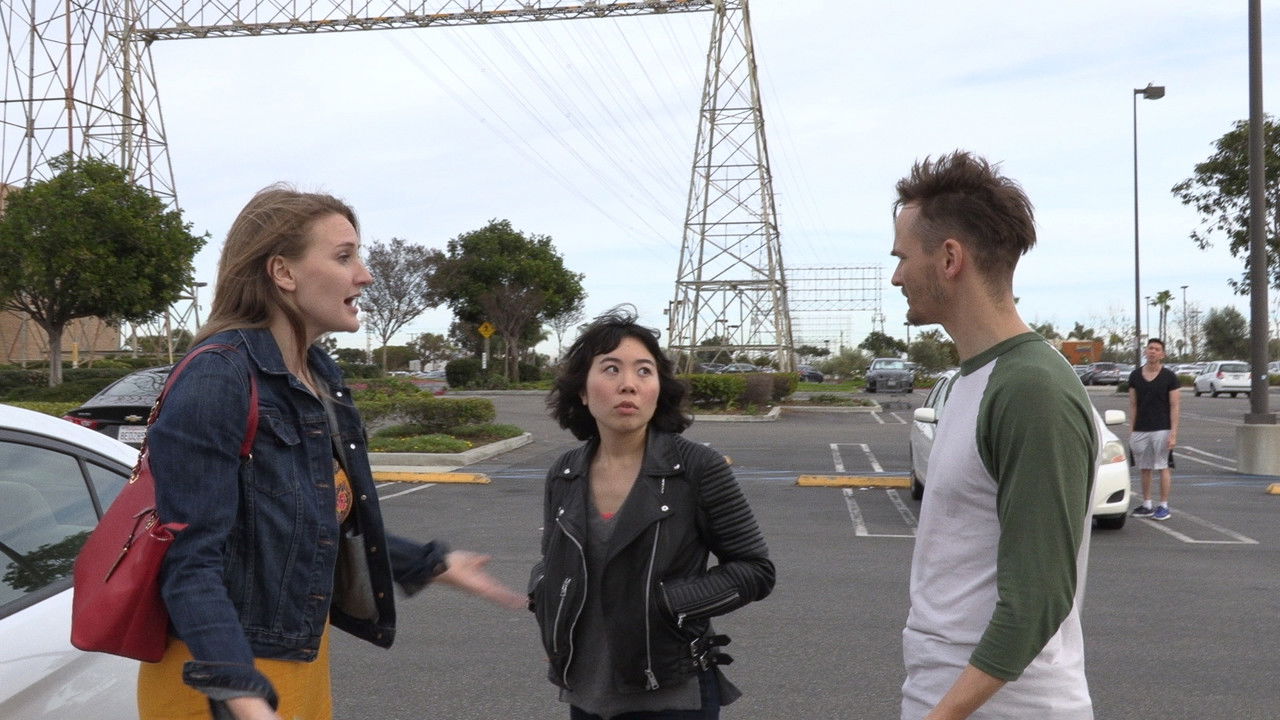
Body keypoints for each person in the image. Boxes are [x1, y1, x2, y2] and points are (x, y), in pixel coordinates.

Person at [139, 186, 526, 720]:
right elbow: (189, 559)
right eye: (344, 257)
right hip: (223, 679)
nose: (364, 275)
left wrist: (430, 564)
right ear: (283, 272)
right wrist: (240, 696)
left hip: (298, 663)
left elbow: (313, 524)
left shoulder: (318, 375)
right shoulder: (217, 376)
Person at [891, 152, 1099, 719]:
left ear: (949, 258)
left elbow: (1038, 599)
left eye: (903, 257)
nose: (896, 276)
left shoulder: (1031, 388)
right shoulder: (972, 380)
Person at [529, 307, 775, 720]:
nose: (628, 384)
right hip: (585, 693)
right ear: (583, 391)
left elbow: (755, 570)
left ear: (658, 389)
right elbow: (552, 560)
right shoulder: (565, 472)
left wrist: (665, 605)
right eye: (611, 369)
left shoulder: (697, 468)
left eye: (644, 371)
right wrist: (547, 600)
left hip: (673, 695)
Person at [1128, 338, 1181, 521]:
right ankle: (1147, 504)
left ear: (1162, 354)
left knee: (1162, 466)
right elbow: (1133, 404)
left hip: (1162, 429)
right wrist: (1132, 430)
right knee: (1145, 467)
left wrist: (1173, 433)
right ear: (1145, 351)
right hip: (1141, 429)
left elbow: (1175, 406)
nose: (1153, 351)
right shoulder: (1135, 376)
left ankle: (1163, 506)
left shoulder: (1169, 377)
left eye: (1157, 349)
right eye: (1150, 348)